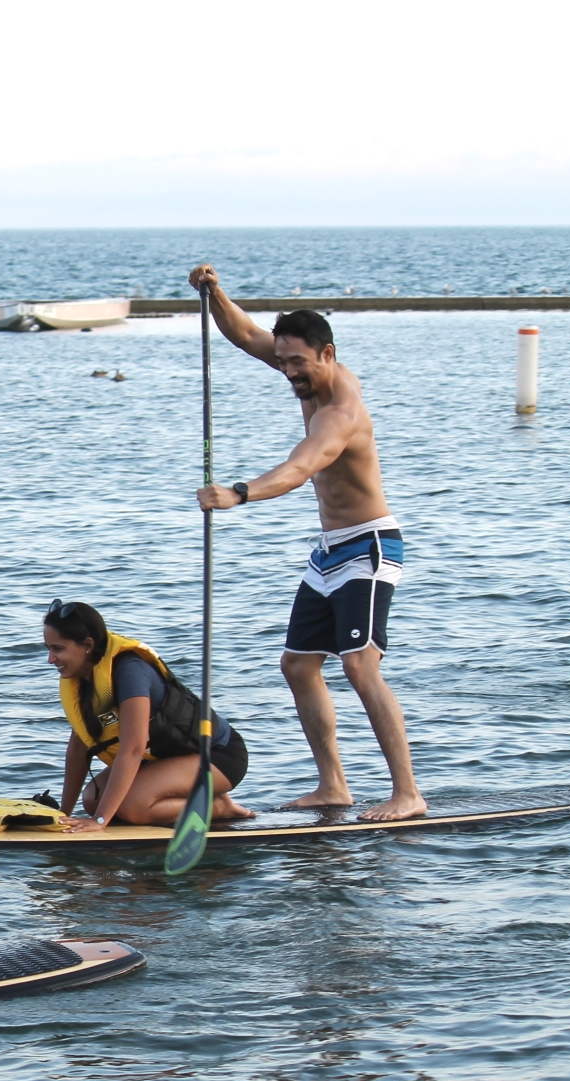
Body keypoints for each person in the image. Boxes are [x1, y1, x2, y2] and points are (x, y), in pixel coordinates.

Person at [188, 266, 424, 820]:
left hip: (369, 548)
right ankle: (333, 785)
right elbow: (247, 336)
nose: (287, 370)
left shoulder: (341, 413)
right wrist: (215, 292)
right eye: (283, 360)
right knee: (297, 666)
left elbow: (300, 468)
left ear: (327, 354)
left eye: (297, 362)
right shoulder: (303, 370)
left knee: (360, 666)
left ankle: (407, 793)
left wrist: (239, 493)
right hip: (330, 551)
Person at [44, 600, 254, 830]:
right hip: (168, 759)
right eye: (49, 649)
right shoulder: (83, 680)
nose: (51, 659)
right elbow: (78, 749)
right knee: (94, 798)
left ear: (88, 645)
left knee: (133, 807)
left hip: (217, 755)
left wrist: (100, 821)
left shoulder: (129, 671)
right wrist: (63, 813)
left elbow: (133, 749)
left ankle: (219, 807)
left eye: (58, 649)